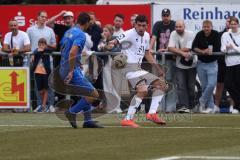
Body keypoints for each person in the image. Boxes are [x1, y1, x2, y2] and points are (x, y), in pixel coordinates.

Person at [109, 15, 168, 128]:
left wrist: (158, 69)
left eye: (143, 25)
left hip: (137, 69)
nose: (141, 28)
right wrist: (111, 44)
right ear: (135, 24)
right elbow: (115, 41)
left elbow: (147, 53)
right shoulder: (129, 33)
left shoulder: (146, 35)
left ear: (147, 25)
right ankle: (128, 119)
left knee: (161, 85)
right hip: (128, 67)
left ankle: (151, 114)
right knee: (143, 89)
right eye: (139, 25)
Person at [59, 12, 103, 128]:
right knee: (94, 94)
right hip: (71, 69)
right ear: (87, 23)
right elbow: (72, 52)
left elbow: (63, 48)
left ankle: (87, 121)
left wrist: (73, 65)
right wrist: (72, 70)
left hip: (64, 66)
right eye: (90, 23)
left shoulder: (69, 32)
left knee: (86, 93)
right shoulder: (81, 34)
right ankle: (71, 112)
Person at [27, 10, 56, 112]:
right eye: (42, 16)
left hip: (48, 61)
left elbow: (54, 46)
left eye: (45, 17)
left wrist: (45, 46)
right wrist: (32, 55)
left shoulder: (50, 30)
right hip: (36, 62)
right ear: (37, 17)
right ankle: (40, 105)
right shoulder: (30, 30)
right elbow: (28, 45)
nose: (44, 19)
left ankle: (51, 105)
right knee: (37, 85)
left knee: (50, 84)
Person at [149, 8, 176, 113]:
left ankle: (170, 107)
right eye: (164, 15)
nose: (165, 17)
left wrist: (167, 49)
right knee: (159, 82)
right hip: (160, 58)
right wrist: (150, 49)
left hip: (171, 58)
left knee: (171, 82)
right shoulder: (157, 24)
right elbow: (154, 37)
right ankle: (158, 107)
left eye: (167, 15)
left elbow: (175, 39)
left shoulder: (174, 24)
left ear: (170, 16)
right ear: (162, 16)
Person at [168, 20, 197, 113]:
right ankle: (184, 106)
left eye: (180, 26)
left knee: (191, 87)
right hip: (179, 64)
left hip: (191, 64)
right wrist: (181, 53)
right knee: (180, 86)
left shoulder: (191, 34)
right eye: (176, 27)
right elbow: (170, 48)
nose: (178, 28)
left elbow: (188, 48)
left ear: (184, 27)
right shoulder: (173, 33)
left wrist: (175, 51)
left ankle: (192, 105)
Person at [192, 20, 221, 113]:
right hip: (201, 63)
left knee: (211, 84)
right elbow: (194, 47)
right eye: (204, 27)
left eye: (208, 27)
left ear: (211, 27)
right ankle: (210, 107)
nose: (206, 29)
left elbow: (218, 48)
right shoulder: (199, 34)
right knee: (204, 86)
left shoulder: (216, 34)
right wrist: (202, 51)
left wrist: (210, 51)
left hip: (212, 63)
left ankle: (202, 100)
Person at [221, 16, 240, 114]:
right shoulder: (225, 34)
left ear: (238, 24)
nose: (233, 26)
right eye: (231, 24)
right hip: (229, 63)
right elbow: (222, 49)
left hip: (239, 62)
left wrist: (233, 47)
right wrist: (227, 48)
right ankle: (238, 103)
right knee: (228, 84)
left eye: (234, 24)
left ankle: (237, 106)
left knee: (238, 84)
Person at [32, 38, 52, 112]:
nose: (41, 46)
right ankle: (44, 104)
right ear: (38, 45)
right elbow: (35, 53)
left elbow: (51, 50)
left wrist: (45, 47)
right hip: (37, 72)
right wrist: (37, 52)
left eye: (43, 44)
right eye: (40, 44)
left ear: (45, 45)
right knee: (40, 90)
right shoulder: (36, 51)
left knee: (46, 89)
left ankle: (44, 105)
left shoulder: (47, 50)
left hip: (46, 72)